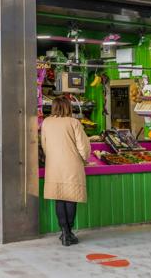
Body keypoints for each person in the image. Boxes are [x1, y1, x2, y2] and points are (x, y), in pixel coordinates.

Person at [40, 96, 91, 246]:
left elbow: (44, 144)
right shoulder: (74, 122)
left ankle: (64, 232)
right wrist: (86, 159)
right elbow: (83, 147)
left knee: (59, 198)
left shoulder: (46, 122)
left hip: (53, 165)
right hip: (72, 165)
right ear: (68, 107)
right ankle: (68, 233)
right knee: (71, 198)